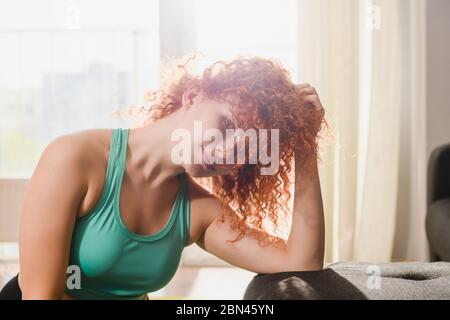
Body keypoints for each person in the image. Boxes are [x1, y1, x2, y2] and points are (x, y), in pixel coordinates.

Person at [0, 55, 326, 300]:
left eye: (243, 151)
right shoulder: (73, 158)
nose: (226, 153)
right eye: (226, 126)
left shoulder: (198, 212)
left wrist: (305, 146)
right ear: (194, 96)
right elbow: (41, 297)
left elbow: (301, 261)